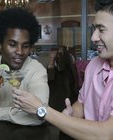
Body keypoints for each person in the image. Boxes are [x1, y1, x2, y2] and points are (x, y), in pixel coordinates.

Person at [12, 0, 113, 139]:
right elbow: (82, 103)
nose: (93, 37)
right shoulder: (93, 65)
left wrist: (42, 110)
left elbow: (106, 134)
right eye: (94, 29)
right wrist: (73, 114)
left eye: (101, 30)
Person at [0, 7, 49, 126]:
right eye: (12, 44)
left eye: (25, 46)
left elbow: (40, 114)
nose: (20, 51)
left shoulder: (36, 70)